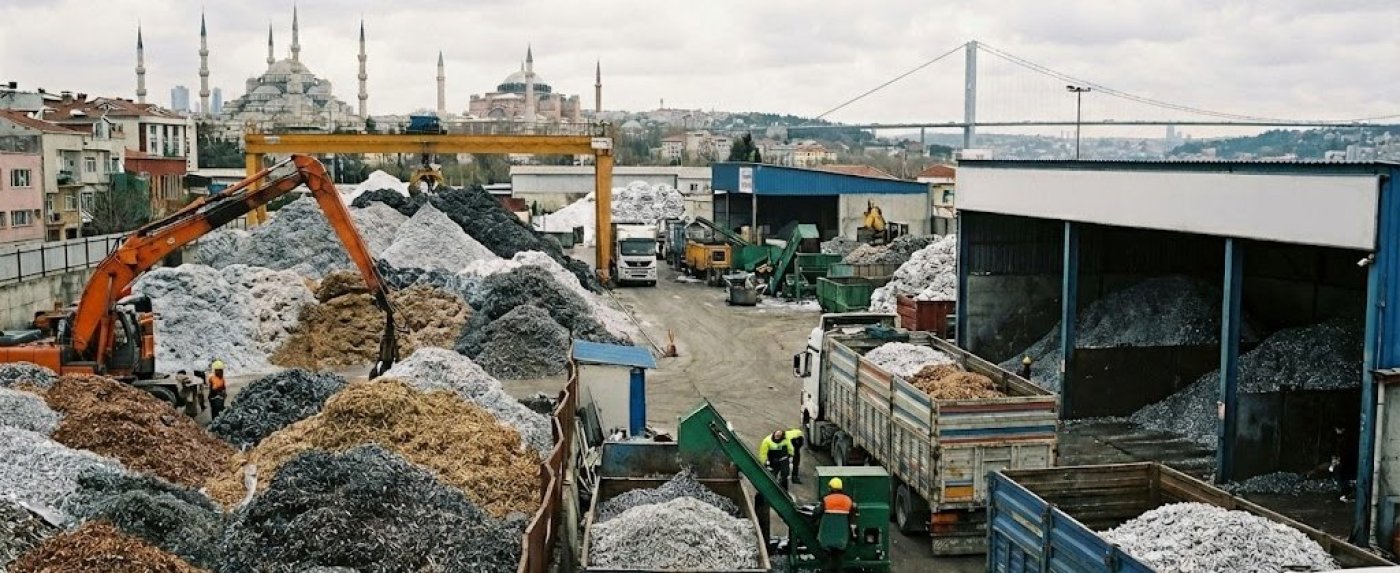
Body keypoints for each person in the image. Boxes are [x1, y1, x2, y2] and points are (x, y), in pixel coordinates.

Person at [812, 477, 859, 573]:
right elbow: (853, 517)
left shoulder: (826, 499)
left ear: (831, 488)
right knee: (839, 559)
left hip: (826, 537)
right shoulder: (848, 500)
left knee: (828, 560)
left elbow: (816, 513)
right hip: (842, 537)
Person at [1332, 424, 1358, 503]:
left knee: (1343, 478)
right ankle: (1345, 493)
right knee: (1343, 478)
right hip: (1343, 461)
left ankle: (1345, 493)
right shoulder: (1342, 439)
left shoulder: (1345, 439)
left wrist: (1339, 459)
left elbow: (1344, 451)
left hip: (1345, 462)